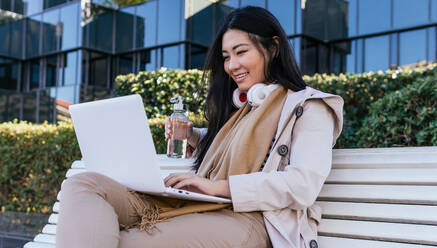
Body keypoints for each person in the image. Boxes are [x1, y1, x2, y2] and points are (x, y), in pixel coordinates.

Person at [57, 6, 343, 248]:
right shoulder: (243, 110)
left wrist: (219, 187)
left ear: (274, 47)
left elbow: (303, 185)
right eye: (226, 56)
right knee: (84, 184)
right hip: (196, 205)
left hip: (253, 220)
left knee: (128, 241)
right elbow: (233, 146)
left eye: (240, 52)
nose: (231, 65)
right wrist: (192, 135)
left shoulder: (311, 107)